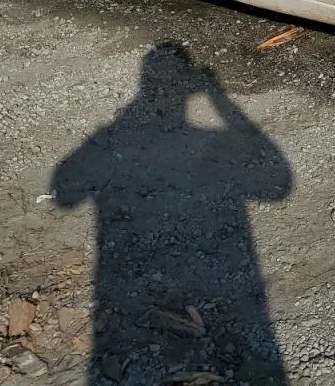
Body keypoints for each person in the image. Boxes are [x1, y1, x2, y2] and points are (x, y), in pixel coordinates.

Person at [52, 42, 293, 385]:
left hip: (123, 280)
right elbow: (278, 184)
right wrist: (219, 98)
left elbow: (64, 192)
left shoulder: (116, 134)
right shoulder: (206, 140)